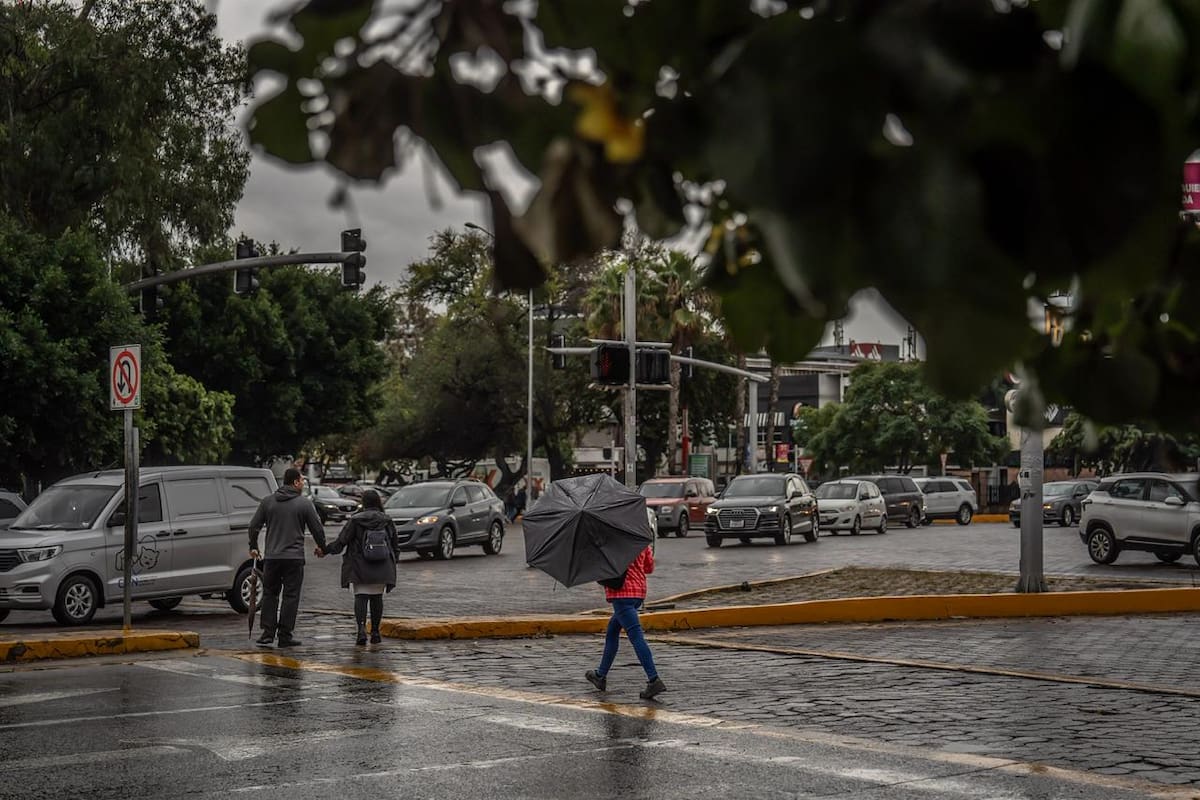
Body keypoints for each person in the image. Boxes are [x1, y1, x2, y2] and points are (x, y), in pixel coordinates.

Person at [248, 468, 328, 647]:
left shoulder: (268, 502)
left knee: (270, 594)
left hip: (272, 557)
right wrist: (322, 548)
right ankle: (285, 635)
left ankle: (267, 634)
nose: (303, 483)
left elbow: (253, 526)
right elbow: (317, 528)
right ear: (295, 482)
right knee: (291, 596)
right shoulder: (304, 504)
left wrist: (253, 546)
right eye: (302, 480)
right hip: (294, 558)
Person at [585, 544, 666, 700]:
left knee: (636, 637)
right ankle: (600, 675)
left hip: (622, 595)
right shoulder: (641, 540)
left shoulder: (613, 543)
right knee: (612, 632)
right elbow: (649, 568)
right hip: (638, 594)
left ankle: (654, 679)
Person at [323, 490, 399, 645]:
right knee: (377, 598)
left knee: (361, 597)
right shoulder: (386, 520)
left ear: (363, 503)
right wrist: (393, 561)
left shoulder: (356, 520)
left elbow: (341, 541)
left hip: (359, 565)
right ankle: (375, 632)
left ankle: (361, 630)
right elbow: (395, 543)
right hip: (382, 565)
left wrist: (325, 550)